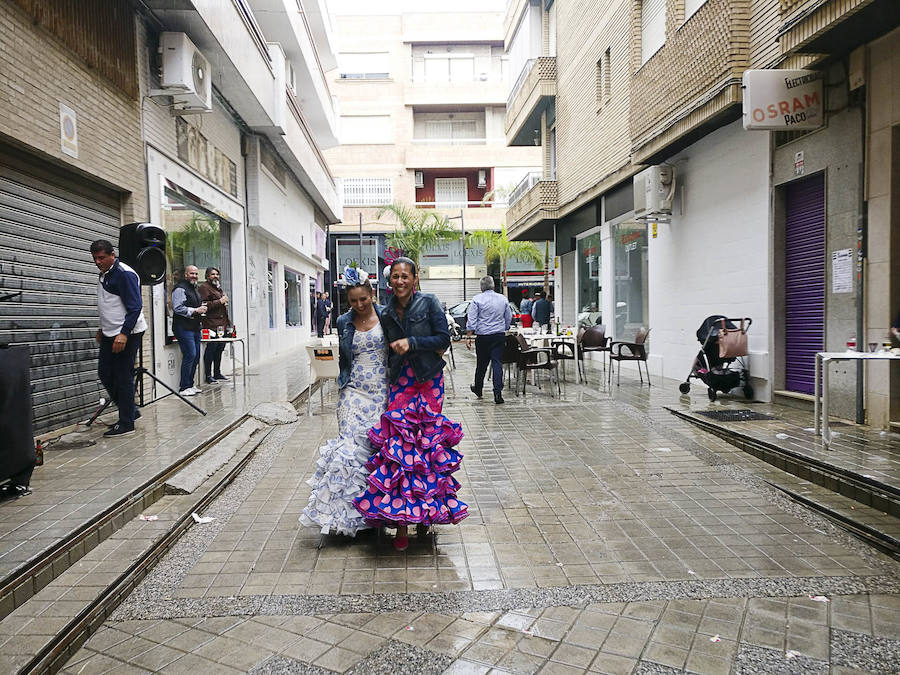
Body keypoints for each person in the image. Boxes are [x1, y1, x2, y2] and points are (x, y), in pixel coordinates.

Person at [353, 257, 468, 551]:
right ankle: (402, 522)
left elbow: (444, 338)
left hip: (428, 381)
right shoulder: (386, 310)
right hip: (401, 383)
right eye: (395, 277)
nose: (400, 281)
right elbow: (369, 328)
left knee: (427, 450)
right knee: (400, 453)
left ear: (415, 279)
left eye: (405, 276)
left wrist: (412, 343)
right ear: (389, 281)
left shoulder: (429, 303)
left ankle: (425, 516)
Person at [300, 267, 388, 537]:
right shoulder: (343, 321)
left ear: (372, 294)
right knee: (349, 451)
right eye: (353, 301)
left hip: (382, 393)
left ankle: (372, 516)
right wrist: (343, 386)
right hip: (353, 392)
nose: (359, 305)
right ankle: (344, 520)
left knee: (373, 454)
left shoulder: (387, 315)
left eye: (363, 299)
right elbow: (345, 358)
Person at [90, 239, 147, 437]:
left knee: (123, 375)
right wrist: (102, 327)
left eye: (102, 258)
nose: (98, 262)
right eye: (95, 258)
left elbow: (134, 307)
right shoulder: (105, 273)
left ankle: (126, 423)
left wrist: (123, 334)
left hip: (128, 332)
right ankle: (130, 410)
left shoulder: (124, 274)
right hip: (109, 332)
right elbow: (109, 304)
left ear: (112, 255)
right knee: (105, 373)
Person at [466, 276, 512, 404]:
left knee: (481, 364)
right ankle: (498, 393)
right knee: (497, 363)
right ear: (493, 286)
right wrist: (505, 327)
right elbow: (508, 317)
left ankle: (478, 388)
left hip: (483, 336)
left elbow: (472, 319)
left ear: (481, 287)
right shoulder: (503, 299)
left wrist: (469, 335)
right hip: (498, 335)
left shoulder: (476, 299)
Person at [172, 265, 208, 396]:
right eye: (192, 274)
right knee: (190, 354)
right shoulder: (180, 288)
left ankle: (190, 384)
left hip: (195, 327)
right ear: (186, 275)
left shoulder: (194, 289)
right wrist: (195, 310)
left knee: (197, 355)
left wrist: (202, 308)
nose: (194, 276)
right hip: (183, 327)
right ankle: (183, 387)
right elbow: (177, 308)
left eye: (196, 274)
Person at [198, 266, 230, 385]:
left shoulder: (218, 288)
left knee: (220, 349)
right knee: (211, 349)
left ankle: (217, 372)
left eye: (217, 274)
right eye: (212, 274)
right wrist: (219, 302)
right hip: (211, 324)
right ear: (207, 276)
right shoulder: (204, 288)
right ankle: (208, 375)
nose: (215, 276)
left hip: (222, 324)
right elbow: (204, 305)